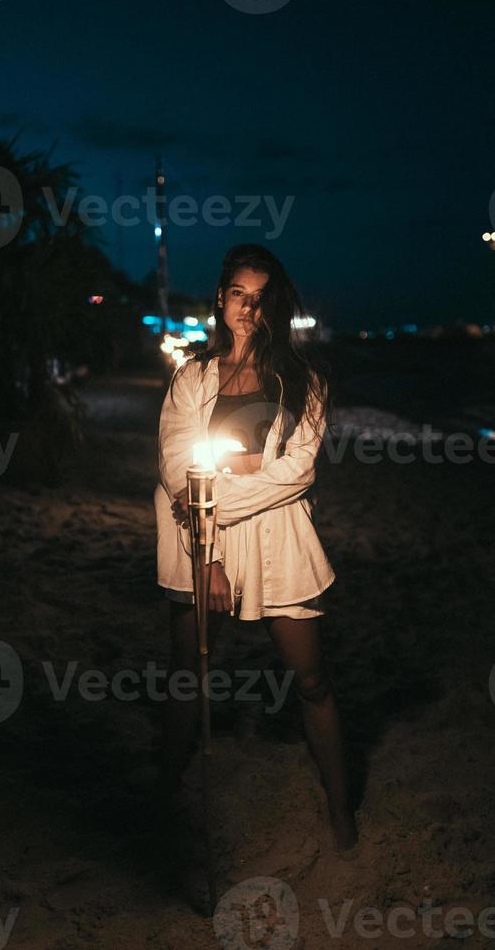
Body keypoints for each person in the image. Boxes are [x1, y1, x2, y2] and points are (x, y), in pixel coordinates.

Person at [153, 243, 358, 852]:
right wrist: (209, 551)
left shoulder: (305, 380)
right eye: (238, 293)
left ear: (275, 307)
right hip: (198, 542)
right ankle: (163, 795)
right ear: (221, 299)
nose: (248, 307)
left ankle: (341, 808)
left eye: (260, 298)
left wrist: (214, 499)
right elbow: (175, 464)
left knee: (312, 678)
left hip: (278, 535)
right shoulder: (193, 376)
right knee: (187, 676)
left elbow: (297, 473)